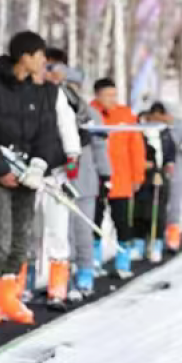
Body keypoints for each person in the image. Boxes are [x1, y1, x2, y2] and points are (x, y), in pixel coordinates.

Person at [0, 31, 61, 325]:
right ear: (25, 56)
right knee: (0, 236)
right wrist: (1, 170)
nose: (44, 61)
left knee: (22, 238)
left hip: (27, 175)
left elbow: (47, 133)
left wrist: (38, 166)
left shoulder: (39, 91)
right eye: (40, 55)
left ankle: (9, 295)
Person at [28, 47, 81, 310]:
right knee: (28, 231)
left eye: (51, 68)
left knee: (58, 231)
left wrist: (72, 154)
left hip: (55, 173)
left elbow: (68, 123)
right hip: (27, 172)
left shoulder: (58, 94)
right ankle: (23, 286)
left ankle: (57, 289)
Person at [60, 66, 111, 298]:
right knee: (63, 235)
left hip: (85, 182)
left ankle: (85, 273)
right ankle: (63, 278)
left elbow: (101, 149)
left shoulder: (91, 114)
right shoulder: (52, 109)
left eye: (73, 86)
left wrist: (105, 175)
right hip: (59, 182)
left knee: (83, 232)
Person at [90, 78, 146, 279]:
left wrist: (137, 175)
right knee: (93, 221)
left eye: (114, 95)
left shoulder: (125, 115)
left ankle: (123, 262)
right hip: (95, 179)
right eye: (107, 95)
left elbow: (136, 147)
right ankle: (93, 262)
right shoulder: (89, 113)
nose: (112, 99)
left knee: (122, 222)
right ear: (97, 95)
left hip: (121, 179)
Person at [148, 102, 182, 252]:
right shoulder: (149, 128)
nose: (157, 120)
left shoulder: (179, 127)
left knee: (174, 206)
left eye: (160, 117)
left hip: (175, 173)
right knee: (155, 206)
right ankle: (155, 239)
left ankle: (172, 237)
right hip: (154, 173)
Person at [133, 110, 175, 263]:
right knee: (140, 211)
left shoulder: (164, 133)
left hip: (159, 176)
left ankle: (156, 244)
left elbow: (170, 154)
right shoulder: (139, 133)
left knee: (157, 212)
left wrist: (166, 167)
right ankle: (139, 244)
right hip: (142, 176)